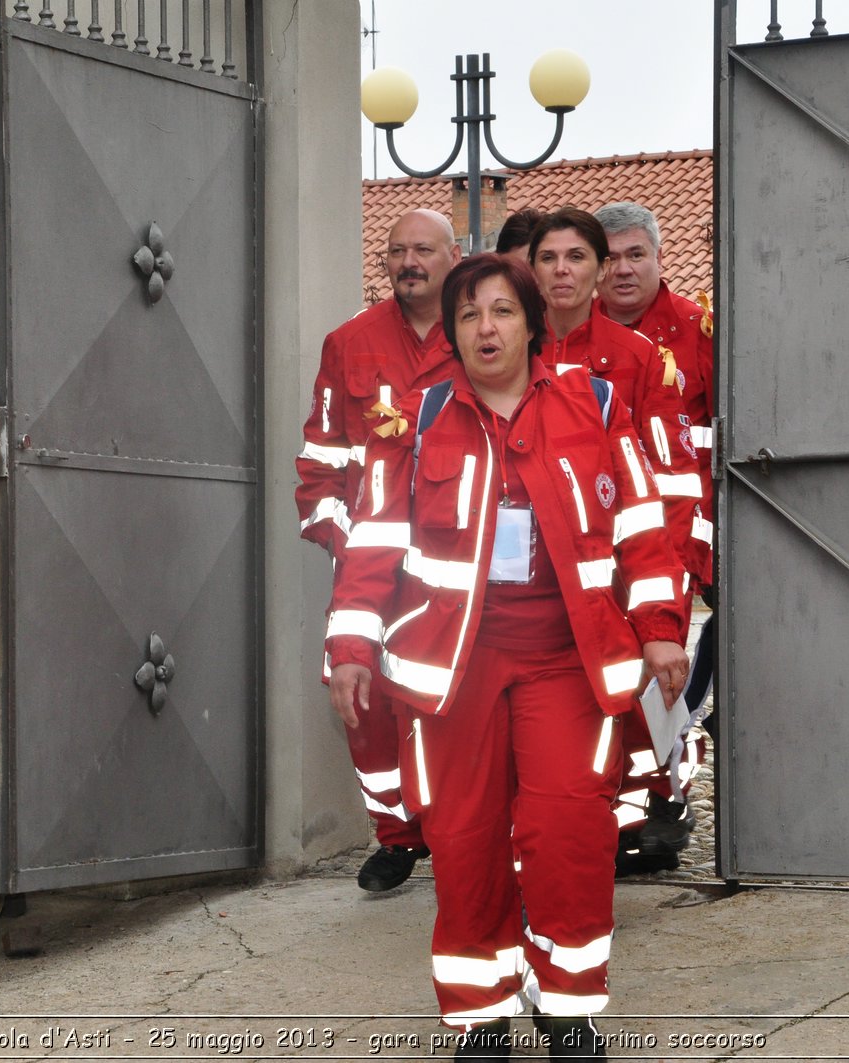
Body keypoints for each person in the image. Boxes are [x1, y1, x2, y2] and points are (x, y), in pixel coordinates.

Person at [326, 254, 688, 1058]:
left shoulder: (594, 407)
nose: (485, 328)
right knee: (464, 841)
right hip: (454, 671)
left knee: (568, 834)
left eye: (501, 312)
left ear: (531, 323)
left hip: (567, 661)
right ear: (453, 331)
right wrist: (351, 643)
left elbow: (641, 526)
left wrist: (660, 622)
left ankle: (567, 1006)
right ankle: (480, 1013)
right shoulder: (415, 423)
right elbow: (374, 541)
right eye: (468, 315)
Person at [527, 208, 705, 869]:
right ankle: (609, 826)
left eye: (577, 257)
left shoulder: (638, 361)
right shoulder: (519, 352)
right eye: (549, 258)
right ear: (533, 270)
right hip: (550, 580)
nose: (562, 271)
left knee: (640, 704)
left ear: (597, 270)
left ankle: (655, 807)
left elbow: (672, 483)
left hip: (634, 570)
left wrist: (668, 585)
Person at [296, 209, 461, 891]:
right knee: (358, 694)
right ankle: (394, 833)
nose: (408, 261)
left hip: (456, 562)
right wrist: (343, 537)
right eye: (396, 251)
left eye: (423, 249)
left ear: (454, 257)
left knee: (450, 696)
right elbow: (321, 460)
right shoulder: (349, 342)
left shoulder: (482, 336)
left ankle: (454, 828)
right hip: (370, 564)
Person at [594, 202, 718, 865]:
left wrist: (701, 550)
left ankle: (670, 796)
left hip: (680, 535)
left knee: (667, 670)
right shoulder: (568, 339)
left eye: (635, 255)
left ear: (659, 258)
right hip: (601, 546)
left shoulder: (698, 330)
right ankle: (630, 812)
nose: (622, 269)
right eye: (608, 256)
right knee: (616, 684)